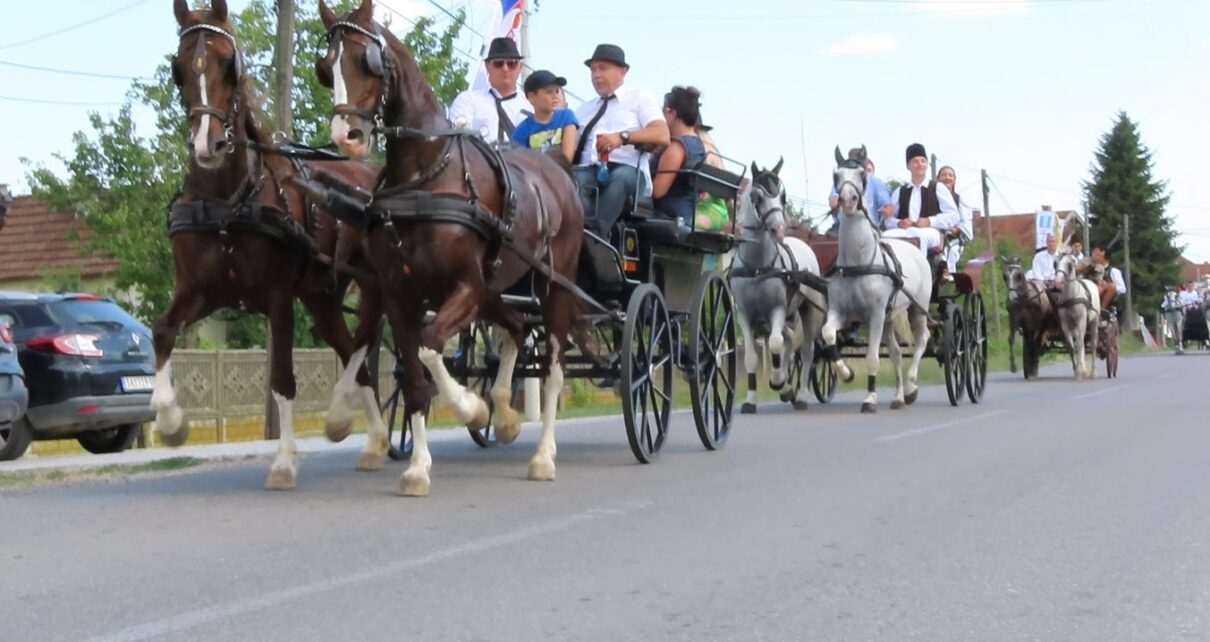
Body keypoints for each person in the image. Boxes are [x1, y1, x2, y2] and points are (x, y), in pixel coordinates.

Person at [573, 44, 670, 238]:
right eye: (593, 70)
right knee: (570, 178)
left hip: (628, 169)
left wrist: (622, 137)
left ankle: (594, 236)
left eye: (603, 68)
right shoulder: (584, 109)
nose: (596, 75)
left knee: (618, 179)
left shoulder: (640, 98)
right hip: (590, 169)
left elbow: (662, 134)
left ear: (622, 71)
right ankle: (575, 228)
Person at [880, 143, 961, 261]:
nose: (920, 164)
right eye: (915, 161)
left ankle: (921, 276)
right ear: (908, 166)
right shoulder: (900, 191)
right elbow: (888, 220)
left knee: (917, 236)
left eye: (923, 161)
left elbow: (954, 216)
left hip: (932, 232)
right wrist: (899, 223)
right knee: (885, 236)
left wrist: (929, 221)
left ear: (927, 164)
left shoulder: (938, 188)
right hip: (904, 231)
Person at [448, 37, 532, 145]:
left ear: (520, 68)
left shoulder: (530, 107)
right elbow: (461, 142)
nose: (505, 68)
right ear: (487, 67)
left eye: (511, 63)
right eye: (498, 63)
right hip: (478, 160)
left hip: (522, 160)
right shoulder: (467, 100)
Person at [650, 86, 708, 227]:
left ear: (672, 114)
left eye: (664, 113)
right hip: (687, 216)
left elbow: (657, 192)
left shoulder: (676, 148)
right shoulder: (698, 145)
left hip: (666, 215)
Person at [511, 70, 579, 164]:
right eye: (549, 92)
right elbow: (520, 163)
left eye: (557, 91)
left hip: (563, 174)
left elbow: (567, 156)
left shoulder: (566, 117)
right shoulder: (522, 130)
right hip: (535, 176)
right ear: (532, 97)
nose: (555, 96)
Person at [936, 165, 973, 273]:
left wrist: (956, 229)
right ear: (938, 179)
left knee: (951, 252)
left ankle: (947, 273)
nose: (947, 177)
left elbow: (966, 221)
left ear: (954, 180)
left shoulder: (959, 199)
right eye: (943, 175)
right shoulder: (932, 198)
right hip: (935, 235)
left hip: (953, 239)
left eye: (950, 175)